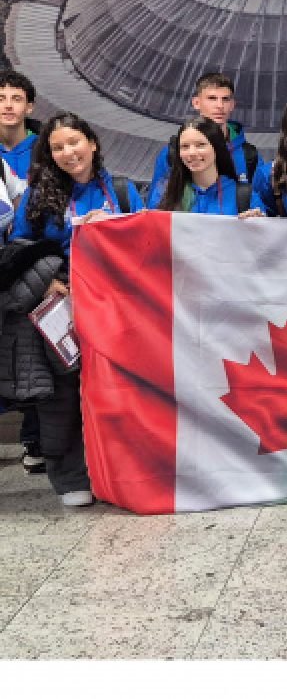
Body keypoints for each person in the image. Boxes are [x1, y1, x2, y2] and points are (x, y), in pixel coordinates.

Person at [10, 113, 145, 507]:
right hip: (61, 306)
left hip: (115, 306)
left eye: (74, 142)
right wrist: (48, 280)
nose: (68, 153)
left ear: (92, 143)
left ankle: (118, 468)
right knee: (63, 394)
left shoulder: (120, 190)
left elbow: (144, 242)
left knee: (116, 388)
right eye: (57, 148)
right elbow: (19, 249)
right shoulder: (38, 197)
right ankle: (69, 473)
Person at [0, 71, 43, 473]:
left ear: (30, 106)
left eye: (17, 98)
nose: (9, 105)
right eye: (2, 97)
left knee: (28, 355)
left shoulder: (44, 150)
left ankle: (33, 440)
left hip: (25, 265)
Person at [148, 72, 263, 199]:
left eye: (225, 99)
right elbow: (156, 206)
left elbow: (261, 206)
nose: (220, 106)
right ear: (196, 103)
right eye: (212, 98)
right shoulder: (173, 153)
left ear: (232, 105)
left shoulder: (249, 156)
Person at [150, 117, 247, 215]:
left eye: (200, 145)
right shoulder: (163, 192)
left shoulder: (244, 196)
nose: (191, 153)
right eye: (185, 146)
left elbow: (258, 228)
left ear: (217, 148)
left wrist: (255, 222)